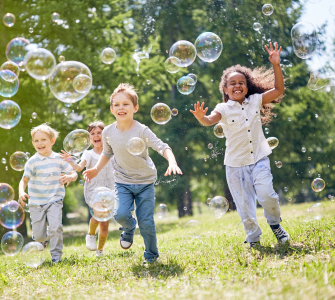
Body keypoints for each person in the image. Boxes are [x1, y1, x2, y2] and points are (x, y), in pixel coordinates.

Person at [190, 42, 289, 248]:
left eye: (241, 82)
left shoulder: (255, 100)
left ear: (247, 86)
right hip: (236, 165)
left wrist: (276, 65)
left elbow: (279, 89)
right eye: (232, 83)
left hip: (259, 158)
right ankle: (253, 239)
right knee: (245, 208)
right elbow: (210, 120)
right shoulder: (223, 108)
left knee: (267, 195)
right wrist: (201, 117)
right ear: (225, 89)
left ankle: (275, 225)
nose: (237, 85)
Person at [83, 83, 183, 264]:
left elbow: (162, 146)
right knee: (120, 214)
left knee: (147, 223)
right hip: (122, 182)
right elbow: (107, 153)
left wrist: (172, 161)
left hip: (145, 182)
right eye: (117, 104)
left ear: (135, 107)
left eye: (126, 104)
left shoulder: (142, 130)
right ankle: (129, 228)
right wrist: (95, 169)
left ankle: (151, 256)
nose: (121, 107)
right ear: (112, 109)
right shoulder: (108, 132)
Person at [19, 123, 77, 263]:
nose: (40, 143)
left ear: (52, 141)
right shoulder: (32, 162)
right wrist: (21, 191)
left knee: (56, 227)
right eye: (36, 141)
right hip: (36, 203)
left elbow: (73, 172)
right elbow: (24, 180)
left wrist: (70, 177)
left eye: (43, 139)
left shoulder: (59, 158)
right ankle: (42, 241)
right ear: (33, 143)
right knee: (38, 236)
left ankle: (56, 256)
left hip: (54, 200)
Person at [60, 121, 114, 258]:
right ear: (89, 138)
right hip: (94, 190)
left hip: (110, 190)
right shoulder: (88, 154)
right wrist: (70, 161)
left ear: (105, 134)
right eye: (92, 134)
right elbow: (78, 168)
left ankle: (100, 250)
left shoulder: (112, 151)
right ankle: (90, 234)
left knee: (105, 224)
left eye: (99, 133)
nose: (96, 136)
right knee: (98, 213)